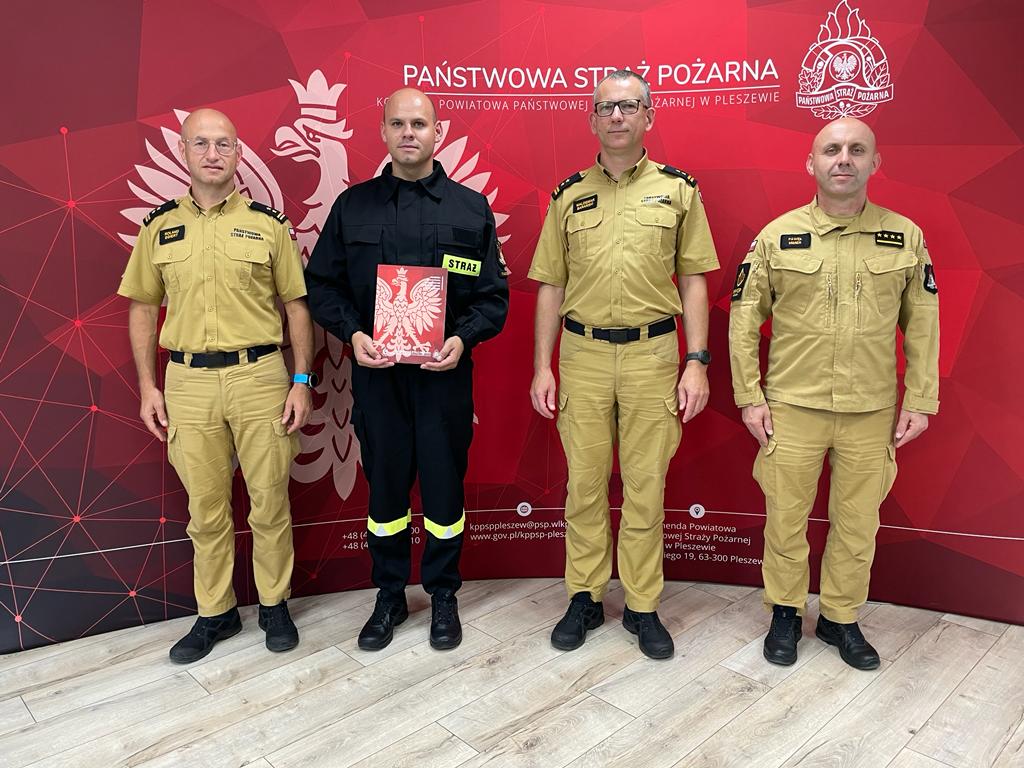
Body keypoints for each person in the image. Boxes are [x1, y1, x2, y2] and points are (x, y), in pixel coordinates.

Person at [728, 117, 939, 670]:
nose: (843, 159)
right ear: (811, 163)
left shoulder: (905, 236)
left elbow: (923, 323)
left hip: (871, 409)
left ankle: (841, 617)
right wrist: (750, 396)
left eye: (856, 149)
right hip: (792, 407)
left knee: (857, 521)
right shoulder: (776, 236)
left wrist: (920, 399)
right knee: (786, 518)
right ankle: (785, 611)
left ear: (874, 163)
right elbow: (744, 320)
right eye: (832, 149)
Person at [305, 88, 508, 652]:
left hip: (444, 379)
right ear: (383, 132)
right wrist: (353, 333)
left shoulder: (470, 209)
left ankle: (443, 594)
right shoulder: (353, 208)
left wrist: (462, 339)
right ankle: (390, 594)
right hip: (379, 378)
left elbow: (492, 297)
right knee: (386, 493)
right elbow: (321, 286)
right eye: (398, 123)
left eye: (419, 123)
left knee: (444, 493)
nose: (409, 133)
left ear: (438, 132)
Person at [528, 70, 719, 660]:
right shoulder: (567, 196)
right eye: (606, 107)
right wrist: (542, 366)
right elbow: (550, 285)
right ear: (591, 119)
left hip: (652, 356)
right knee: (584, 485)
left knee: (645, 486)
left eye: (629, 106)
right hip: (582, 355)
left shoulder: (679, 191)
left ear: (648, 117)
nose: (616, 116)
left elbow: (693, 280)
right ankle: (584, 597)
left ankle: (642, 604)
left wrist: (696, 361)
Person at [118, 109, 315, 663]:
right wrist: (148, 386)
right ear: (183, 151)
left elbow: (297, 307)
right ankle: (216, 612)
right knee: (205, 509)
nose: (212, 153)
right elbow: (143, 308)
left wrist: (301, 379)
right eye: (201, 143)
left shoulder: (269, 225)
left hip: (261, 377)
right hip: (187, 383)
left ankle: (274, 604)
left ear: (238, 153)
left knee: (269, 500)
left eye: (223, 144)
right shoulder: (158, 227)